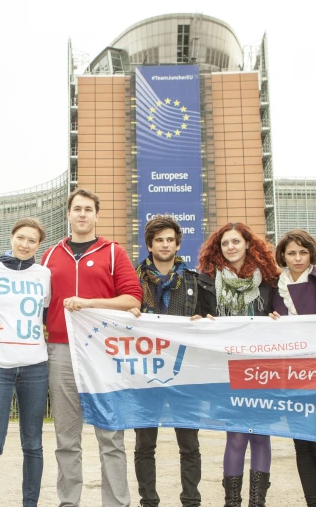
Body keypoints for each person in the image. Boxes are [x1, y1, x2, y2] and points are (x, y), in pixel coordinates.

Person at [42, 188, 142, 507]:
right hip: (61, 351)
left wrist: (89, 304)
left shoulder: (113, 252)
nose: (82, 214)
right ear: (68, 214)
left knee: (111, 436)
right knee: (66, 438)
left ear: (97, 215)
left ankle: (116, 503)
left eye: (88, 209)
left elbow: (132, 299)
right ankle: (68, 501)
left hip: (103, 353)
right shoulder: (49, 256)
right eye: (77, 209)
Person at [195, 222, 279, 507]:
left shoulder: (270, 281)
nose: (230, 247)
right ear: (218, 249)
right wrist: (200, 320)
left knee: (260, 435)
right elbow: (197, 316)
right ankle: (232, 501)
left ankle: (257, 502)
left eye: (236, 242)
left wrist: (280, 319)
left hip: (263, 366)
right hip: (226, 367)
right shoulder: (206, 280)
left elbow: (283, 315)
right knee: (236, 435)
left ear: (247, 245)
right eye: (225, 243)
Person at [0, 218, 51, 507]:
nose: (25, 244)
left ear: (38, 245)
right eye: (21, 237)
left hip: (34, 367)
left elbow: (44, 316)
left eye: (32, 240)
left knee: (33, 444)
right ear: (11, 237)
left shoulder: (44, 274)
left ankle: (30, 503)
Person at [128, 216, 202, 507]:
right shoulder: (132, 281)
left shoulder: (194, 280)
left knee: (189, 445)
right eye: (159, 239)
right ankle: (149, 501)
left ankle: (191, 500)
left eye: (170, 239)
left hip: (185, 372)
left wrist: (202, 321)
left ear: (178, 243)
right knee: (145, 445)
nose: (165, 244)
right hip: (145, 373)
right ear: (149, 244)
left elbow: (211, 321)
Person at [269, 229, 316, 507]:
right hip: (290, 374)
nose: (297, 258)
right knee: (301, 444)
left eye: (303, 252)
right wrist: (269, 319)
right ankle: (313, 502)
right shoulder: (274, 290)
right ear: (283, 257)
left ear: (312, 253)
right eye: (291, 253)